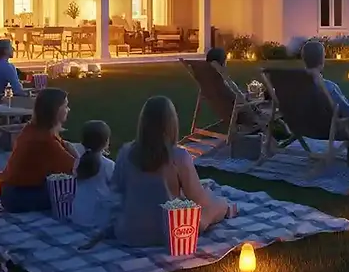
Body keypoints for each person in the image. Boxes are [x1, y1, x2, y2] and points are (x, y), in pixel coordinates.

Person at [112, 96, 234, 247]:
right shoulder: (178, 156)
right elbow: (199, 200)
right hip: (171, 233)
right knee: (217, 205)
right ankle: (228, 208)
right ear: (171, 124)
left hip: (129, 232)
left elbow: (117, 189)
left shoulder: (125, 152)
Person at [0, 88, 78, 213]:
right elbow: (77, 169)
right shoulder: (43, 140)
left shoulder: (34, 129)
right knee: (72, 190)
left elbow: (64, 150)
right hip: (18, 196)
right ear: (55, 110)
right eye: (66, 106)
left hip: (11, 191)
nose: (68, 110)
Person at [71, 120, 115, 229]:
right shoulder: (108, 165)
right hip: (98, 220)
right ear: (106, 142)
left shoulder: (78, 162)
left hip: (77, 216)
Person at [301, 40, 349, 117]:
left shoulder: (295, 87)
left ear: (304, 59)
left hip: (301, 127)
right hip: (330, 127)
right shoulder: (329, 87)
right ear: (322, 59)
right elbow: (348, 111)